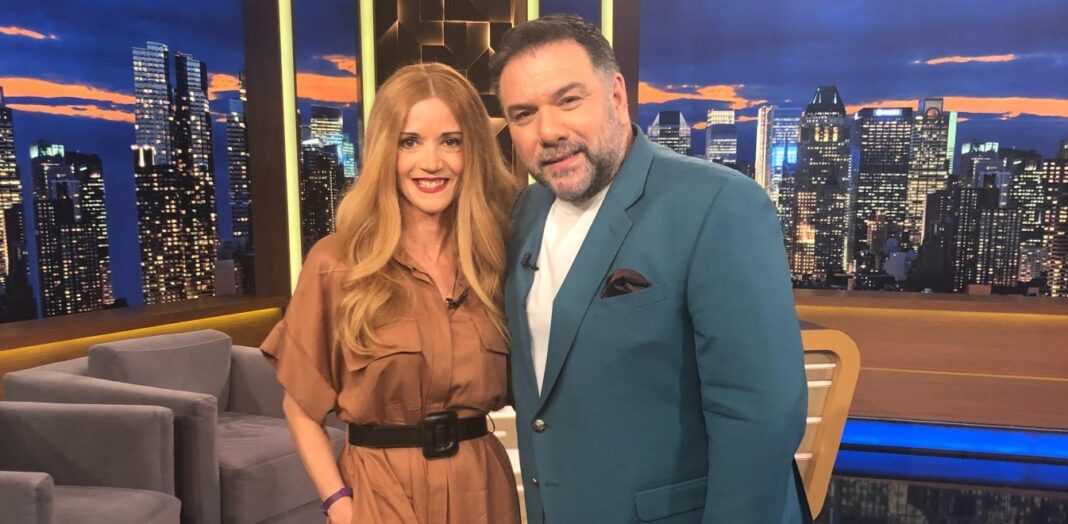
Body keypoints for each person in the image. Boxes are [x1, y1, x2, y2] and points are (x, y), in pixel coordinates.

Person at [491, 15, 810, 523]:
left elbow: (760, 419)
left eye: (568, 100)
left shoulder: (719, 204)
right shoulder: (522, 213)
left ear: (616, 95)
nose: (547, 131)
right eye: (523, 114)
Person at [261, 62, 521, 524]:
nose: (431, 162)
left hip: (482, 491)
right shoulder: (336, 263)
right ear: (386, 151)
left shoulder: (497, 260)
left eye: (451, 141)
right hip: (379, 492)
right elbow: (299, 410)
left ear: (474, 152)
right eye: (410, 141)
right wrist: (340, 504)